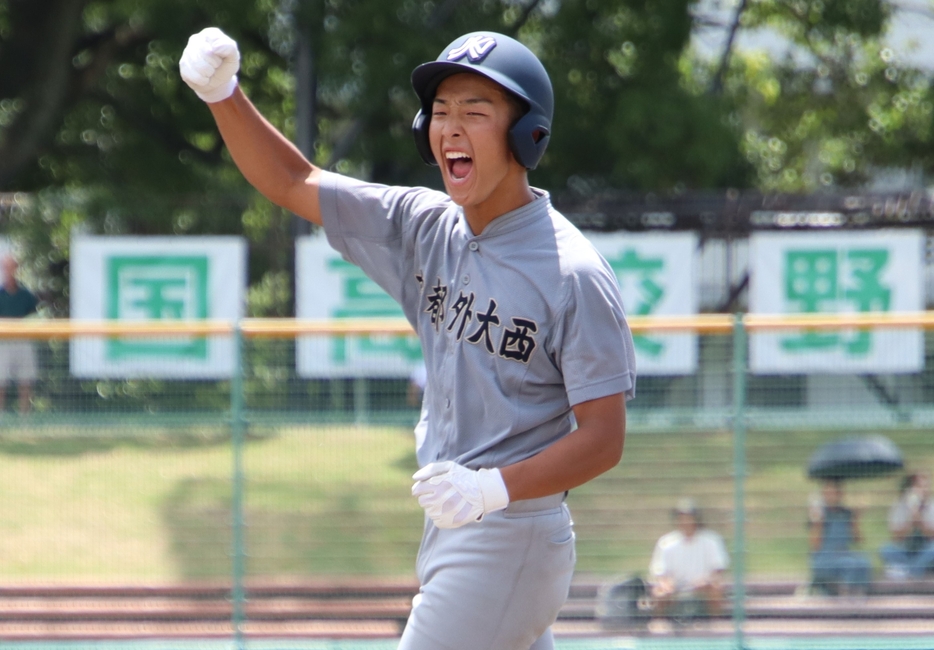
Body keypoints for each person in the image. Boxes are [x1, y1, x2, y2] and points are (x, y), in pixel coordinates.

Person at [180, 28, 636, 650]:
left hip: (510, 532)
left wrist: (488, 488)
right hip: (457, 529)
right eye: (441, 111)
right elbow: (294, 182)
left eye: (475, 112)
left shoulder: (572, 273)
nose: (451, 127)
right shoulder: (426, 226)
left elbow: (604, 439)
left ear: (527, 133)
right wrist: (223, 94)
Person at [648, 498, 729, 620]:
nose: (685, 521)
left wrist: (706, 581)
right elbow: (660, 572)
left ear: (696, 519)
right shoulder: (666, 543)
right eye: (682, 518)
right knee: (659, 593)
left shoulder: (711, 540)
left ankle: (715, 624)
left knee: (716, 589)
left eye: (689, 517)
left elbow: (718, 569)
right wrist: (666, 584)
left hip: (702, 588)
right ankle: (660, 625)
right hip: (676, 588)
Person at [807, 478, 873, 596]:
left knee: (863, 562)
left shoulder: (846, 513)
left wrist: (855, 520)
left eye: (836, 493)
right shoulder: (819, 515)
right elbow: (815, 545)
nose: (832, 497)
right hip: (825, 557)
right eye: (828, 493)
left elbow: (858, 540)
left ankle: (860, 595)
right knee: (850, 565)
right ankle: (846, 595)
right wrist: (818, 523)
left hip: (843, 553)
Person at [0, 255, 39, 414]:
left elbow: (35, 316)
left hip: (23, 341)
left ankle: (25, 421)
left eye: (12, 267)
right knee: (1, 382)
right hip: (3, 342)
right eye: (6, 267)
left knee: (25, 381)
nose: (10, 271)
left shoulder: (26, 295)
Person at [879, 472, 934, 579]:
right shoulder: (899, 505)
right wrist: (911, 521)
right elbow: (896, 537)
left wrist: (920, 521)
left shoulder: (931, 506)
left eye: (926, 486)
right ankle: (914, 570)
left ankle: (910, 572)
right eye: (920, 487)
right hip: (905, 548)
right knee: (886, 549)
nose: (925, 490)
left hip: (926, 548)